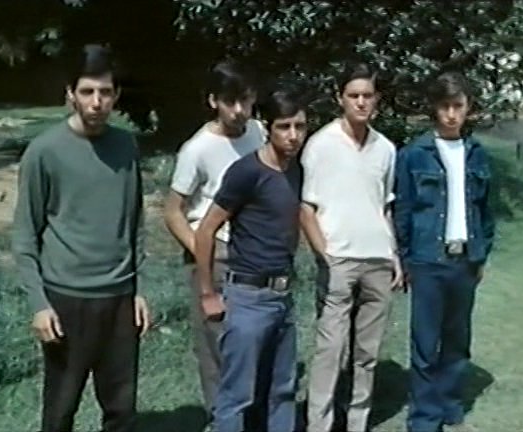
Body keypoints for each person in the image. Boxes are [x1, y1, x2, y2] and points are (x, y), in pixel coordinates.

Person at [11, 44, 150, 432]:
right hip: (66, 298)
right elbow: (25, 234)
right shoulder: (44, 152)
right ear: (70, 94)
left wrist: (139, 289)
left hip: (119, 298)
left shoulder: (126, 146)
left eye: (105, 92)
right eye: (87, 92)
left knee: (121, 410)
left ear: (116, 95)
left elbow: (136, 222)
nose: (96, 102)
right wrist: (39, 304)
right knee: (60, 409)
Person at [194, 88, 308, 432]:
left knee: (282, 391)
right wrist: (207, 293)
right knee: (237, 395)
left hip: (283, 296)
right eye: (284, 127)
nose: (293, 135)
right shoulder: (246, 172)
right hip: (248, 297)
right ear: (268, 128)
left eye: (300, 126)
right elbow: (205, 230)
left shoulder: (296, 170)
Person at [301, 62, 403, 432]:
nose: (361, 102)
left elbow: (384, 206)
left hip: (377, 259)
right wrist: (324, 255)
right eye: (353, 95)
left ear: (377, 99)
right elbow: (306, 208)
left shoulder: (385, 149)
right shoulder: (320, 145)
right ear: (340, 98)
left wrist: (394, 255)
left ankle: (357, 421)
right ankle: (319, 424)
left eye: (367, 96)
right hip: (338, 261)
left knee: (367, 352)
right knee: (330, 350)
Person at [394, 71, 495, 432]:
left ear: (468, 108)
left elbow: (485, 210)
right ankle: (424, 417)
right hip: (427, 261)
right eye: (445, 106)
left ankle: (450, 404)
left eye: (458, 106)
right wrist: (405, 258)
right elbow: (403, 209)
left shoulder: (477, 154)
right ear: (434, 109)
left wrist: (481, 254)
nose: (451, 114)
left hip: (464, 260)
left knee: (457, 339)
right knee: (425, 342)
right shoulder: (414, 154)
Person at [164, 60, 264, 421]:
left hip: (253, 250)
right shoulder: (198, 149)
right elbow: (172, 210)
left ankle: (253, 415)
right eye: (229, 102)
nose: (238, 111)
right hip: (215, 251)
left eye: (245, 100)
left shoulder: (258, 133)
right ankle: (223, 418)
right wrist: (201, 251)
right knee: (216, 345)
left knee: (252, 341)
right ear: (213, 101)